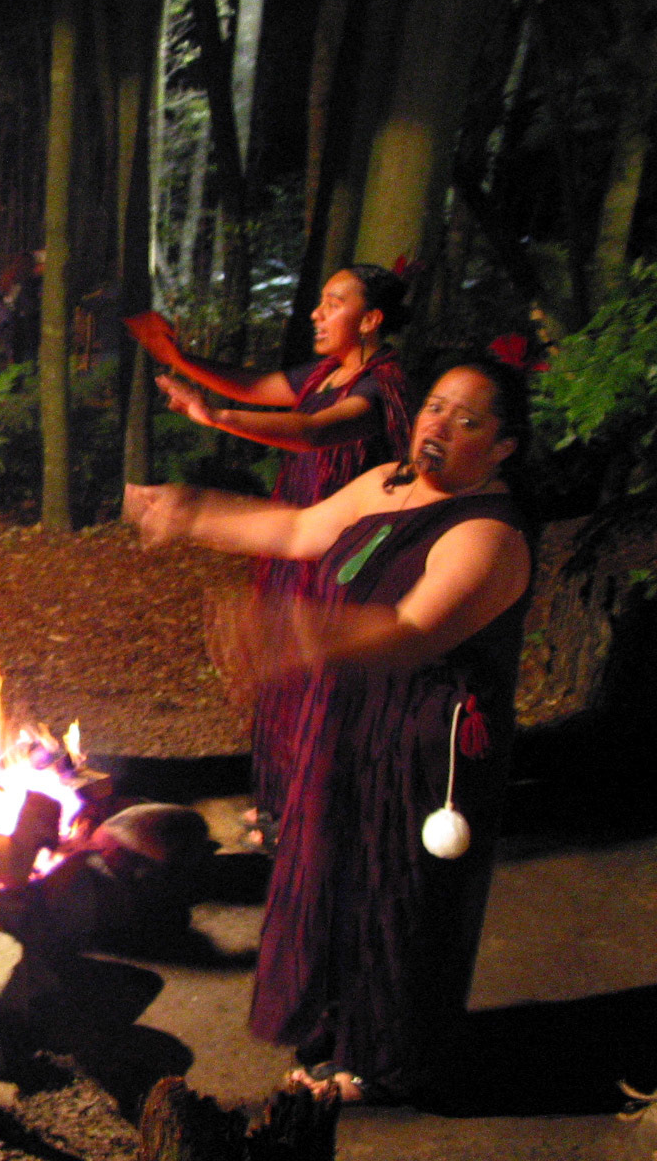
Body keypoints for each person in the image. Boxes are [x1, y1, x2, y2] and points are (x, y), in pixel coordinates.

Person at [125, 354, 535, 1105]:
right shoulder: (385, 484)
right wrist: (192, 512)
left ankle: (382, 1058)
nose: (437, 423)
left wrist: (295, 632)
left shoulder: (490, 533)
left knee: (393, 892)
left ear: (504, 447)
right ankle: (331, 1032)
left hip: (422, 746)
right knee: (331, 874)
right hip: (351, 720)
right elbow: (297, 527)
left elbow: (414, 630)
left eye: (467, 419)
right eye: (436, 405)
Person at [126, 265, 412, 848]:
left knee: (325, 678)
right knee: (286, 679)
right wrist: (177, 358)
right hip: (295, 535)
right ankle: (283, 803)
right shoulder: (327, 373)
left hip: (347, 551)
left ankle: (327, 813)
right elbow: (256, 386)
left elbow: (311, 432)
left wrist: (216, 417)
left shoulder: (383, 384)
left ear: (372, 319)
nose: (317, 312)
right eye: (321, 300)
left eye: (334, 302)